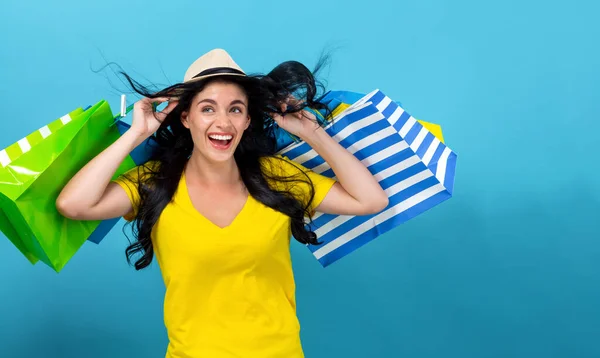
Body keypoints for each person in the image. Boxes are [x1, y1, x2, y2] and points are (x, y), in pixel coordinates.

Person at [56, 48, 388, 358]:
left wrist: (312, 133)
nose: (223, 123)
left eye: (235, 109)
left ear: (246, 121)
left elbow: (370, 199)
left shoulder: (276, 176)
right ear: (186, 118)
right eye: (207, 108)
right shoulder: (155, 182)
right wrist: (137, 133)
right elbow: (73, 204)